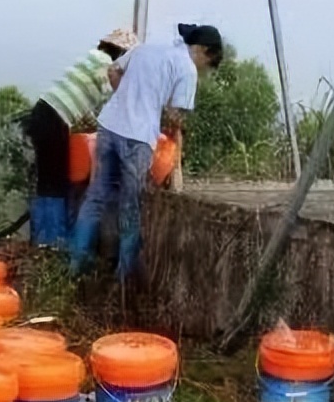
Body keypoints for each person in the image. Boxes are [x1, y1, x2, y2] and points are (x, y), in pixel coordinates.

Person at [69, 23, 223, 279]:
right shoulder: (186, 69)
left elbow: (113, 71)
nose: (203, 68)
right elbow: (176, 117)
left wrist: (128, 99)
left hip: (108, 127)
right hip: (137, 138)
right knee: (131, 205)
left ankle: (75, 264)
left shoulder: (148, 48)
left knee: (96, 196)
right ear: (203, 50)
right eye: (208, 62)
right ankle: (124, 276)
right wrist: (167, 128)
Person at [24, 28, 139, 249]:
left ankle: (42, 239)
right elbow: (113, 103)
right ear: (121, 53)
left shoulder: (93, 58)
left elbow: (90, 106)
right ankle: (55, 240)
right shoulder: (106, 66)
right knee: (56, 181)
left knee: (46, 180)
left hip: (44, 114)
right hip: (54, 119)